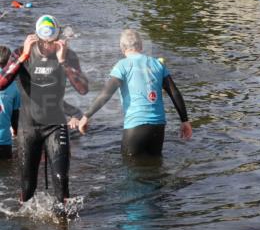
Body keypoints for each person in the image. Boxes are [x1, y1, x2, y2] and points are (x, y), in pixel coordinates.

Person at [0, 15, 88, 204]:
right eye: (45, 42)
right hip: (28, 127)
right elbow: (2, 83)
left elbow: (83, 89)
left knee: (61, 181)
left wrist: (63, 62)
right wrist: (23, 56)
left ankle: (63, 228)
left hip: (55, 125)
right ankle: (27, 229)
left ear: (57, 38)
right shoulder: (21, 53)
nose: (49, 46)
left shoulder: (67, 54)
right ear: (37, 38)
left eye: (53, 42)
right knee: (27, 185)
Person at [79, 29, 192, 157]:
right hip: (158, 126)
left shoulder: (122, 65)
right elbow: (174, 93)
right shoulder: (157, 64)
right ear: (141, 46)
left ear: (122, 48)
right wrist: (185, 121)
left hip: (136, 125)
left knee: (129, 168)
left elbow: (106, 93)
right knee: (154, 167)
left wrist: (86, 116)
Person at [0, 46, 20, 160]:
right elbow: (15, 118)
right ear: (9, 62)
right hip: (4, 143)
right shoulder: (14, 87)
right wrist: (16, 133)